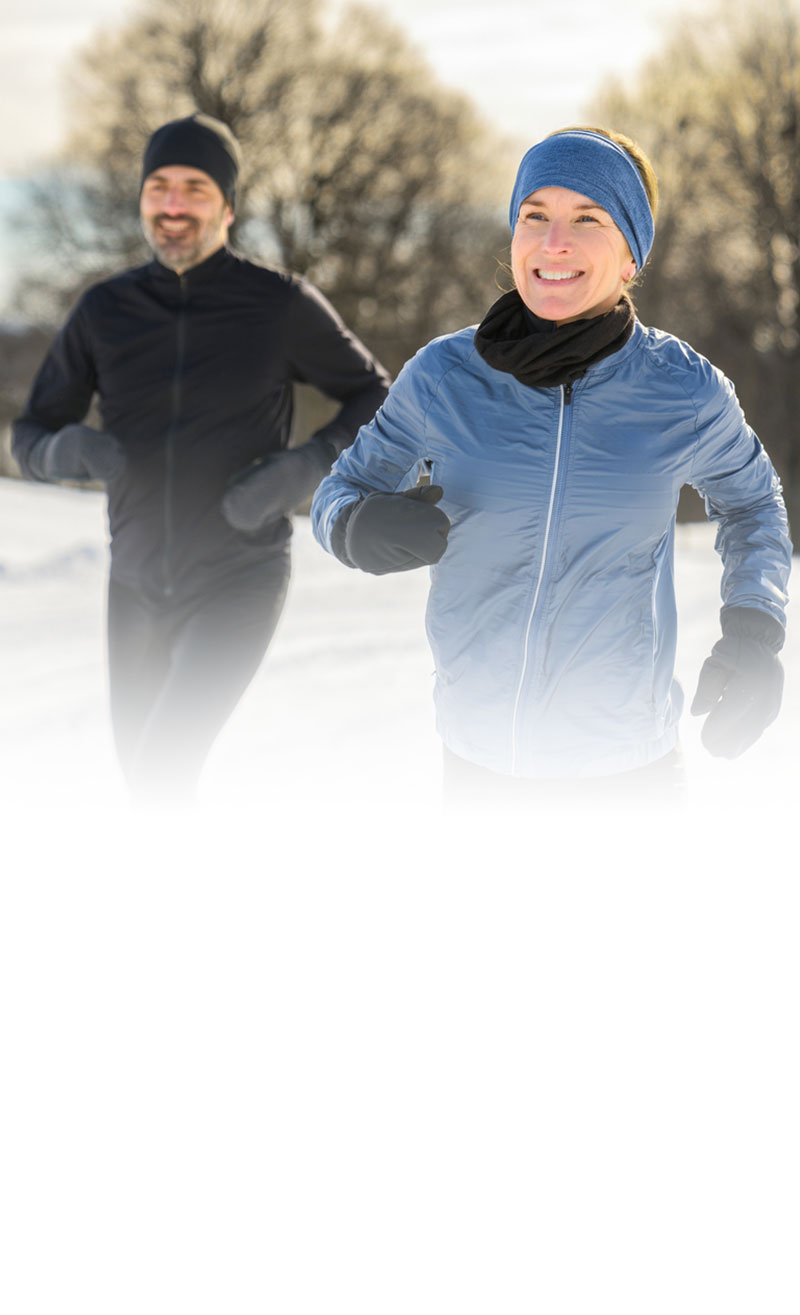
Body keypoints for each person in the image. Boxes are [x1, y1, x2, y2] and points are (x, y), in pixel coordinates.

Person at [311, 126, 792, 810]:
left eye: (587, 219)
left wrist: (755, 627)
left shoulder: (683, 389)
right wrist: (353, 526)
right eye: (534, 215)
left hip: (628, 774)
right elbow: (338, 492)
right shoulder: (444, 376)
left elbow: (753, 504)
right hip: (477, 767)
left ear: (630, 257)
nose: (553, 242)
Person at [13, 112, 390, 806]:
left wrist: (303, 469)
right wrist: (64, 449)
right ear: (143, 199)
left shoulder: (279, 305)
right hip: (132, 584)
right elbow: (30, 432)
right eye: (160, 186)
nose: (175, 204)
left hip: (237, 578)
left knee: (161, 769)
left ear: (228, 206)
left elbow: (373, 396)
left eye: (194, 187)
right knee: (145, 781)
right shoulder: (105, 310)